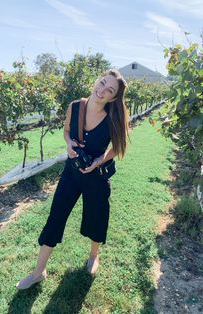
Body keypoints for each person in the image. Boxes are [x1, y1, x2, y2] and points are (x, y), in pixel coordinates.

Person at [16, 69, 130, 289]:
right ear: (97, 79)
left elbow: (118, 147)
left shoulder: (113, 117)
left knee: (96, 217)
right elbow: (66, 131)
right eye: (102, 83)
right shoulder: (75, 107)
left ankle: (94, 256)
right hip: (71, 174)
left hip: (96, 177)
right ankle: (39, 272)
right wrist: (68, 144)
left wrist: (99, 160)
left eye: (109, 90)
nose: (102, 90)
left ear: (114, 97)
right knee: (55, 217)